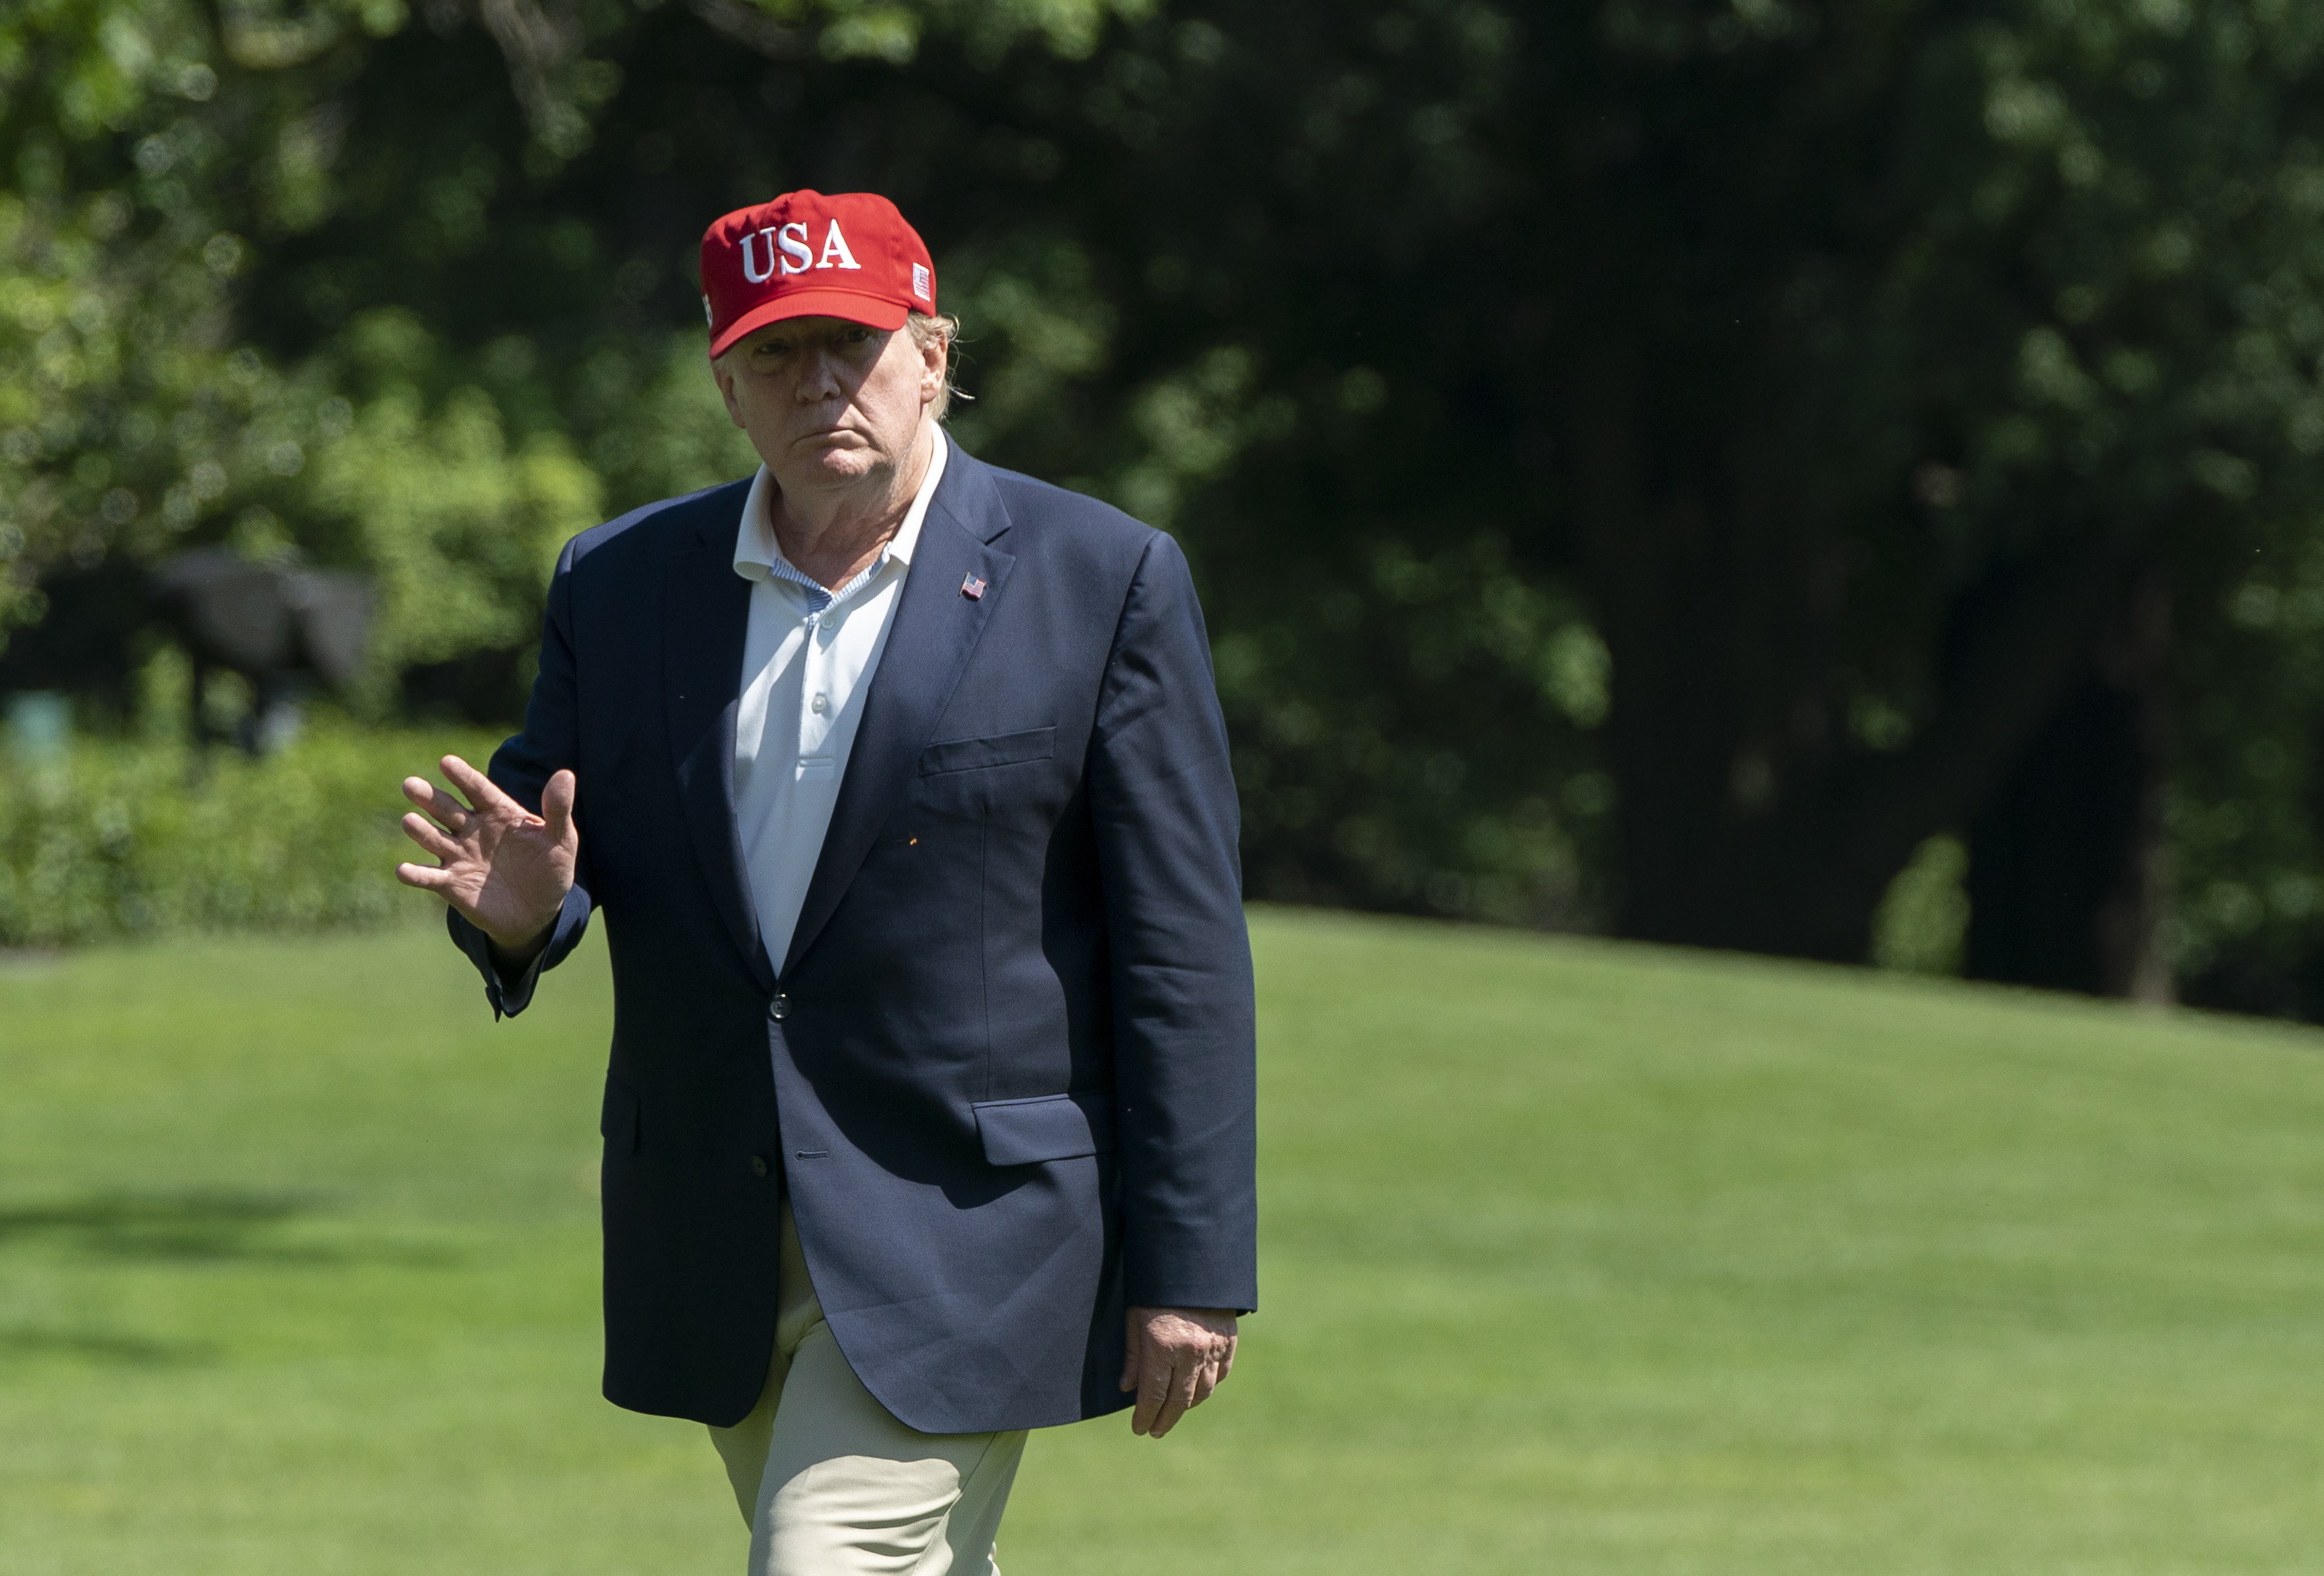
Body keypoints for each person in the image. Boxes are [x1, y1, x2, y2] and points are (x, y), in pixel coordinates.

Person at [391, 189, 1257, 1575]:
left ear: (934, 353)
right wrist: (521, 919)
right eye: (779, 353)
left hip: (971, 1230)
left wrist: (1194, 1265)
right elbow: (541, 846)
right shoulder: (616, 584)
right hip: (717, 1223)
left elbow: (1184, 951)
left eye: (854, 343)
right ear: (726, 384)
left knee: (820, 1562)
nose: (822, 383)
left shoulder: (1104, 578)